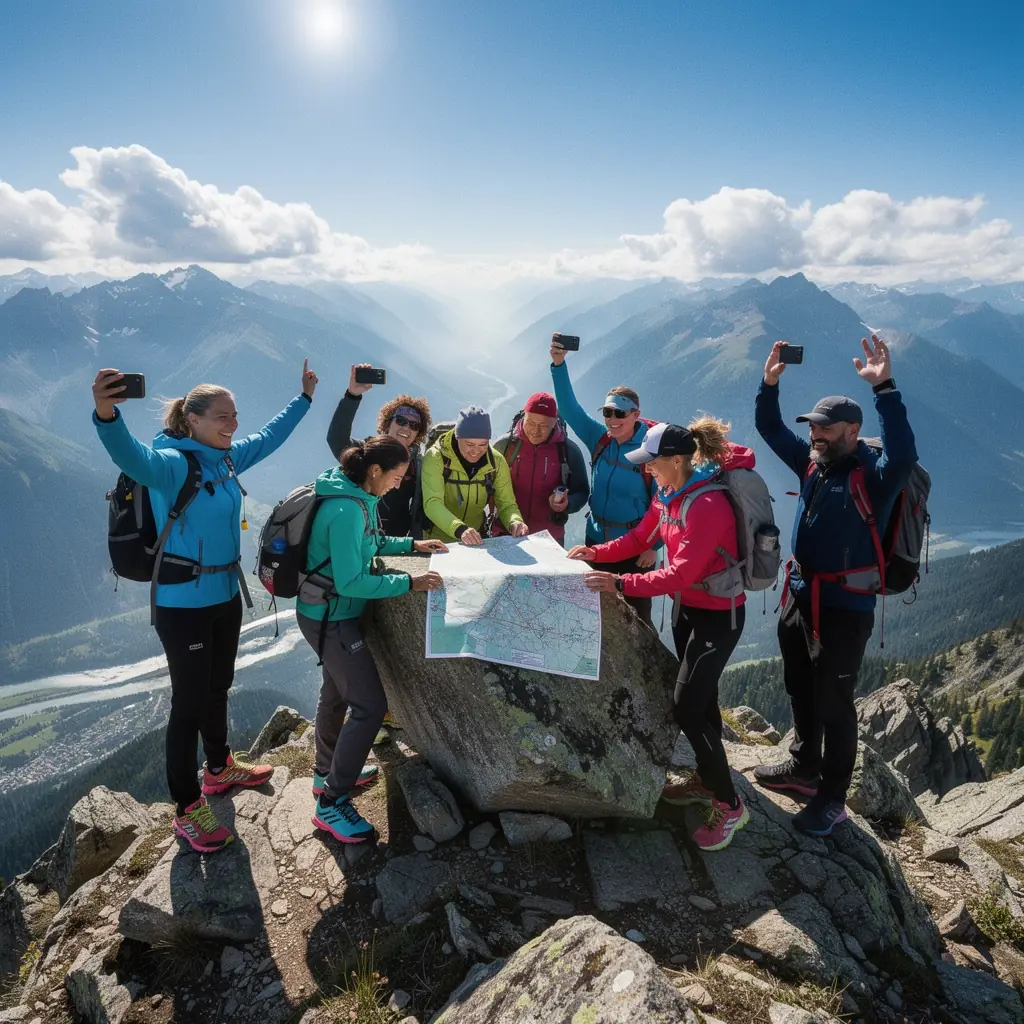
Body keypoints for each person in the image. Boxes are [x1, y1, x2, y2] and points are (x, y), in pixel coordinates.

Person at [91, 361, 318, 853]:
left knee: (218, 686)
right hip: (183, 605)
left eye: (234, 414)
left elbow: (269, 437)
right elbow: (130, 456)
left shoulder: (226, 459)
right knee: (188, 703)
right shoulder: (170, 463)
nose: (233, 423)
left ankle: (218, 768)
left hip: (224, 596)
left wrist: (304, 399)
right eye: (222, 416)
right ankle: (187, 807)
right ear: (192, 419)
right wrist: (107, 414)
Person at [752, 335, 918, 836]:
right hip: (800, 597)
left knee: (835, 703)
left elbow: (904, 455)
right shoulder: (813, 463)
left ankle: (832, 800)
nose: (815, 434)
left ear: (852, 430)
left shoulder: (875, 476)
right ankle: (804, 766)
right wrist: (769, 383)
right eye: (813, 426)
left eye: (824, 427)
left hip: (845, 610)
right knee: (800, 685)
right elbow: (769, 427)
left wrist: (884, 388)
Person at [569, 418, 754, 851]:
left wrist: (619, 583)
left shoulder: (707, 505)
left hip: (718, 616)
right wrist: (597, 552)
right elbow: (640, 538)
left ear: (676, 460)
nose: (646, 469)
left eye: (651, 463)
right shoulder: (669, 493)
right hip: (688, 608)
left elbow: (680, 573)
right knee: (702, 699)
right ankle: (707, 780)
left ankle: (730, 805)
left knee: (687, 708)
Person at [295, 435, 446, 843]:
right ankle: (331, 803)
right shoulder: (346, 509)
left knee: (335, 693)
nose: (397, 485)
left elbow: (370, 542)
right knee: (370, 706)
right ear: (375, 470)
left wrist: (411, 544)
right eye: (396, 477)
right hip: (332, 618)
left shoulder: (357, 495)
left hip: (327, 613)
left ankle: (325, 774)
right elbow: (351, 581)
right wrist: (408, 582)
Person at [549, 335, 658, 624]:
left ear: (636, 414)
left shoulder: (651, 449)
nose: (612, 419)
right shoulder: (600, 438)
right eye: (608, 412)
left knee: (638, 618)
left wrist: (653, 546)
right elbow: (569, 409)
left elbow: (664, 504)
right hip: (596, 541)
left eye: (620, 413)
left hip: (636, 548)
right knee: (593, 615)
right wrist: (558, 365)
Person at [325, 364, 432, 538]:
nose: (407, 427)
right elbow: (337, 439)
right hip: (359, 537)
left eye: (414, 425)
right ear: (388, 423)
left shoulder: (418, 464)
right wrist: (352, 396)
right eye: (401, 421)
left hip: (396, 542)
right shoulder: (366, 452)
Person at [421, 406, 529, 545]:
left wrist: (515, 521)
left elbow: (506, 504)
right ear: (457, 436)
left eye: (483, 444)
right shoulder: (436, 457)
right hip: (438, 540)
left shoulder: (496, 462)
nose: (475, 452)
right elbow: (432, 503)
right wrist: (460, 529)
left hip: (476, 540)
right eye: (469, 444)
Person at [492, 391, 590, 546]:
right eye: (531, 423)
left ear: (554, 423)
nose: (535, 431)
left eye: (543, 426)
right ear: (524, 417)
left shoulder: (568, 451)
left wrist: (567, 503)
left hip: (549, 538)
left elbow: (582, 492)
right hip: (506, 532)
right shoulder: (505, 446)